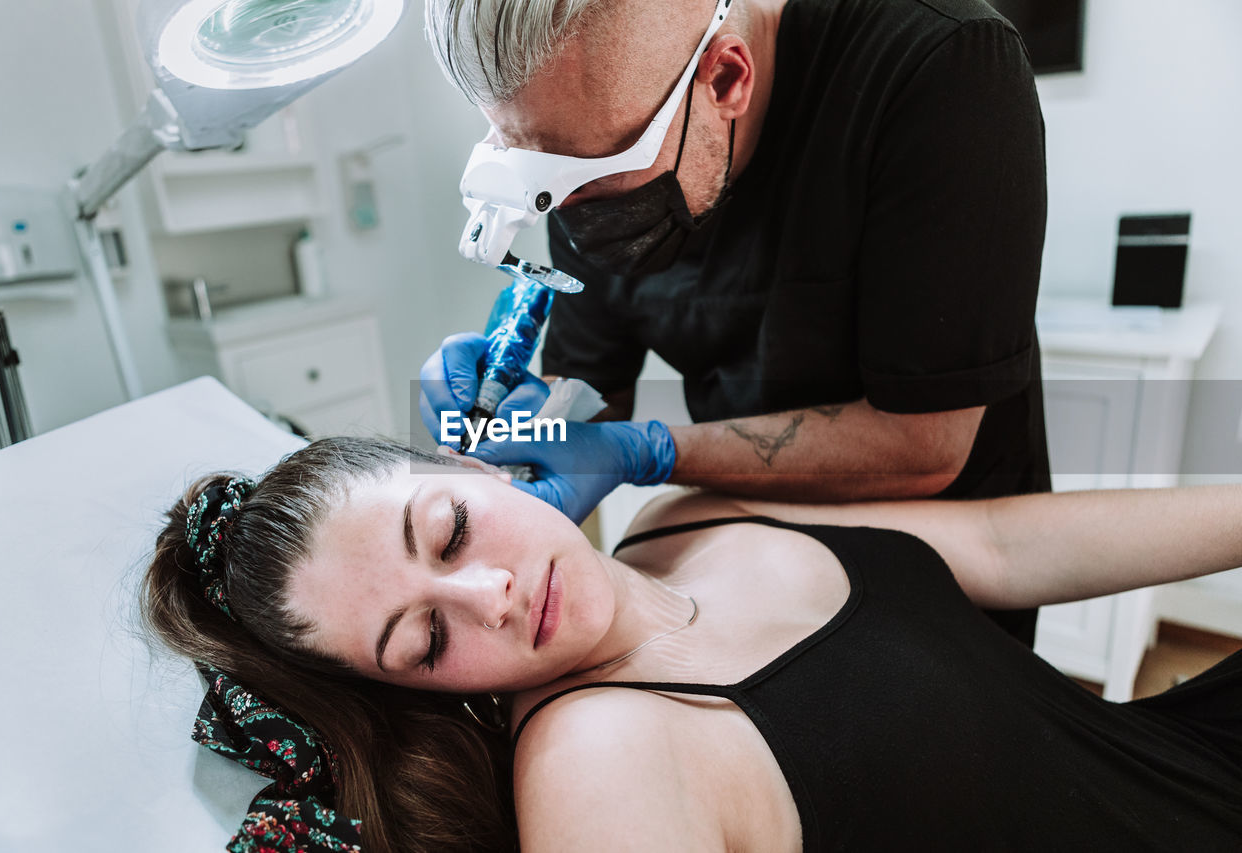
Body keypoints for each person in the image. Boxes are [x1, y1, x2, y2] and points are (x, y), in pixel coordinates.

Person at [145, 436, 1242, 852]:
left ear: (473, 465)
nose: (490, 593)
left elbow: (999, 545)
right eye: (425, 638)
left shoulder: (679, 518)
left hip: (1174, 761)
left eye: (451, 529)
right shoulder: (596, 768)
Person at [418, 0, 1051, 645]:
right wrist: (528, 427)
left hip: (952, 565)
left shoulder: (941, 63)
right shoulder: (586, 132)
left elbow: (926, 448)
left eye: (590, 177)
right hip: (760, 565)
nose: (575, 217)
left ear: (725, 80)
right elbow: (590, 393)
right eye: (539, 170)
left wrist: (647, 452)